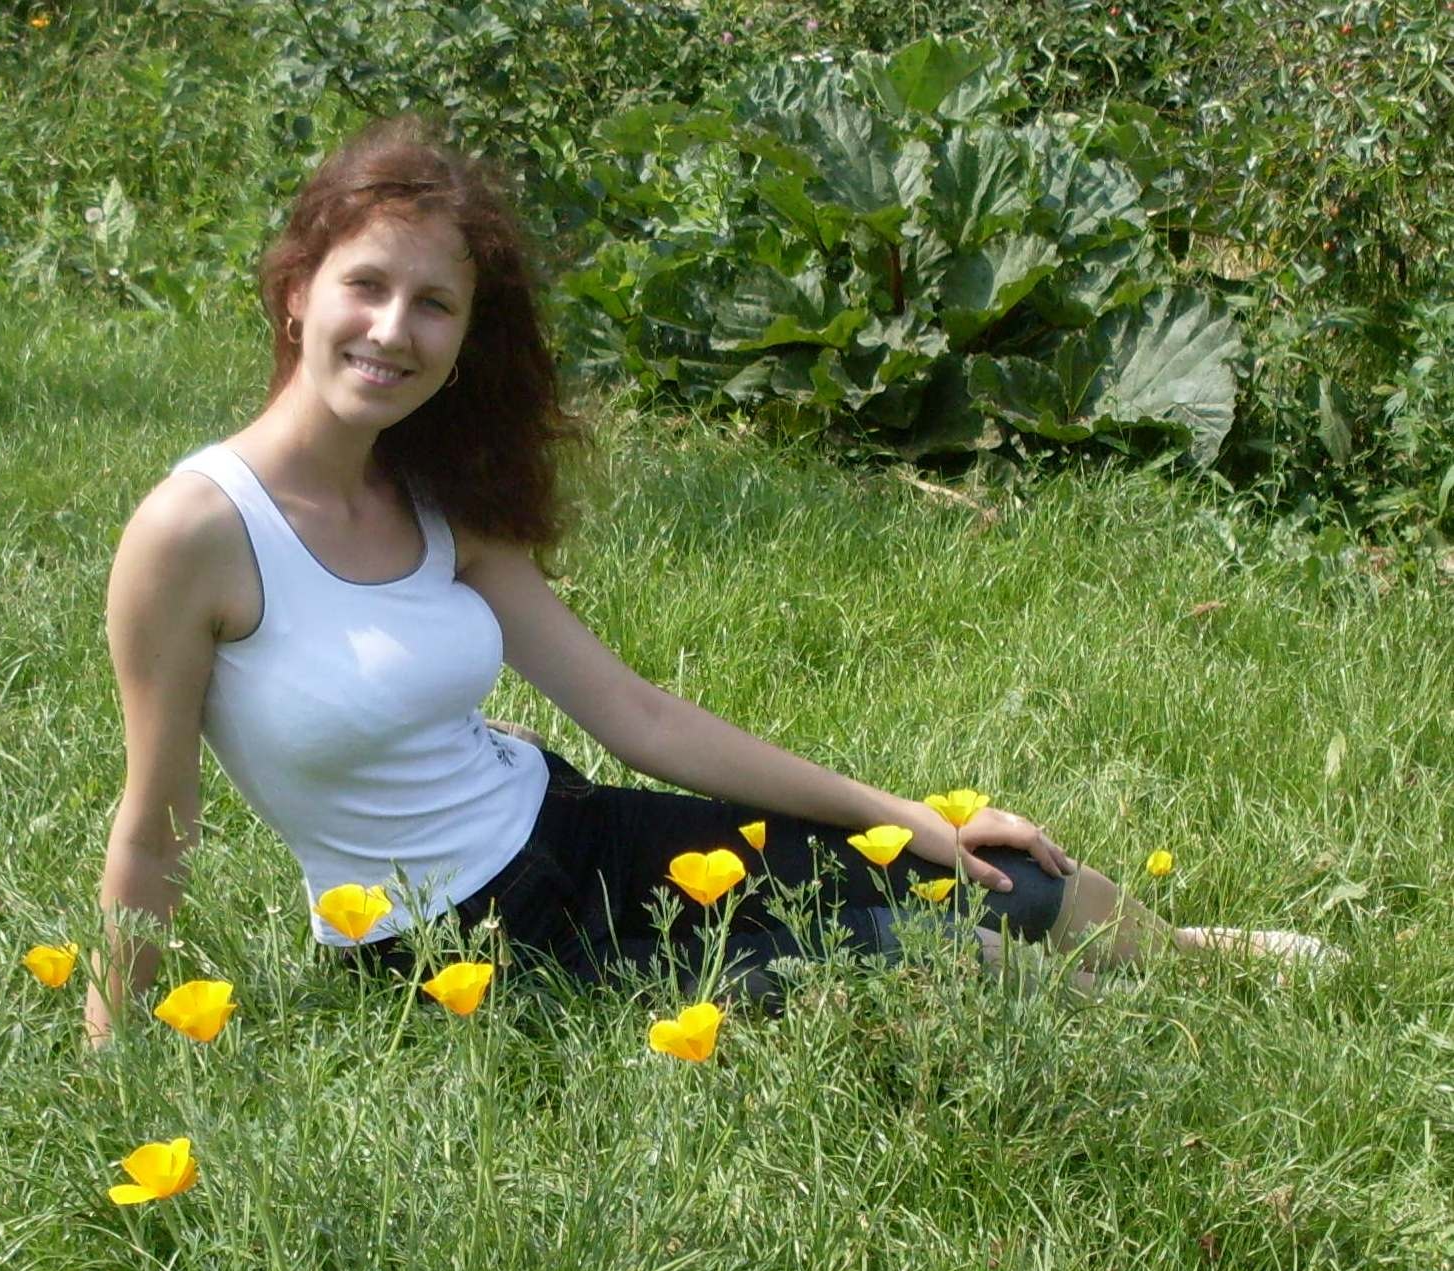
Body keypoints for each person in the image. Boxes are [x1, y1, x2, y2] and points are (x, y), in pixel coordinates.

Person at [85, 116, 1329, 1045]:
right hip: (445, 952)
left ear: (464, 342)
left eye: (435, 305)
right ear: (296, 293)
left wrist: (909, 816)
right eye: (366, 284)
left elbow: (637, 716)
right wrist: (111, 1050)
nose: (392, 329)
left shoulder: (433, 497)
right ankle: (1167, 1033)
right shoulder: (198, 531)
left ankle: (1191, 959)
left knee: (1010, 882)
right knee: (935, 961)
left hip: (575, 832)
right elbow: (155, 826)